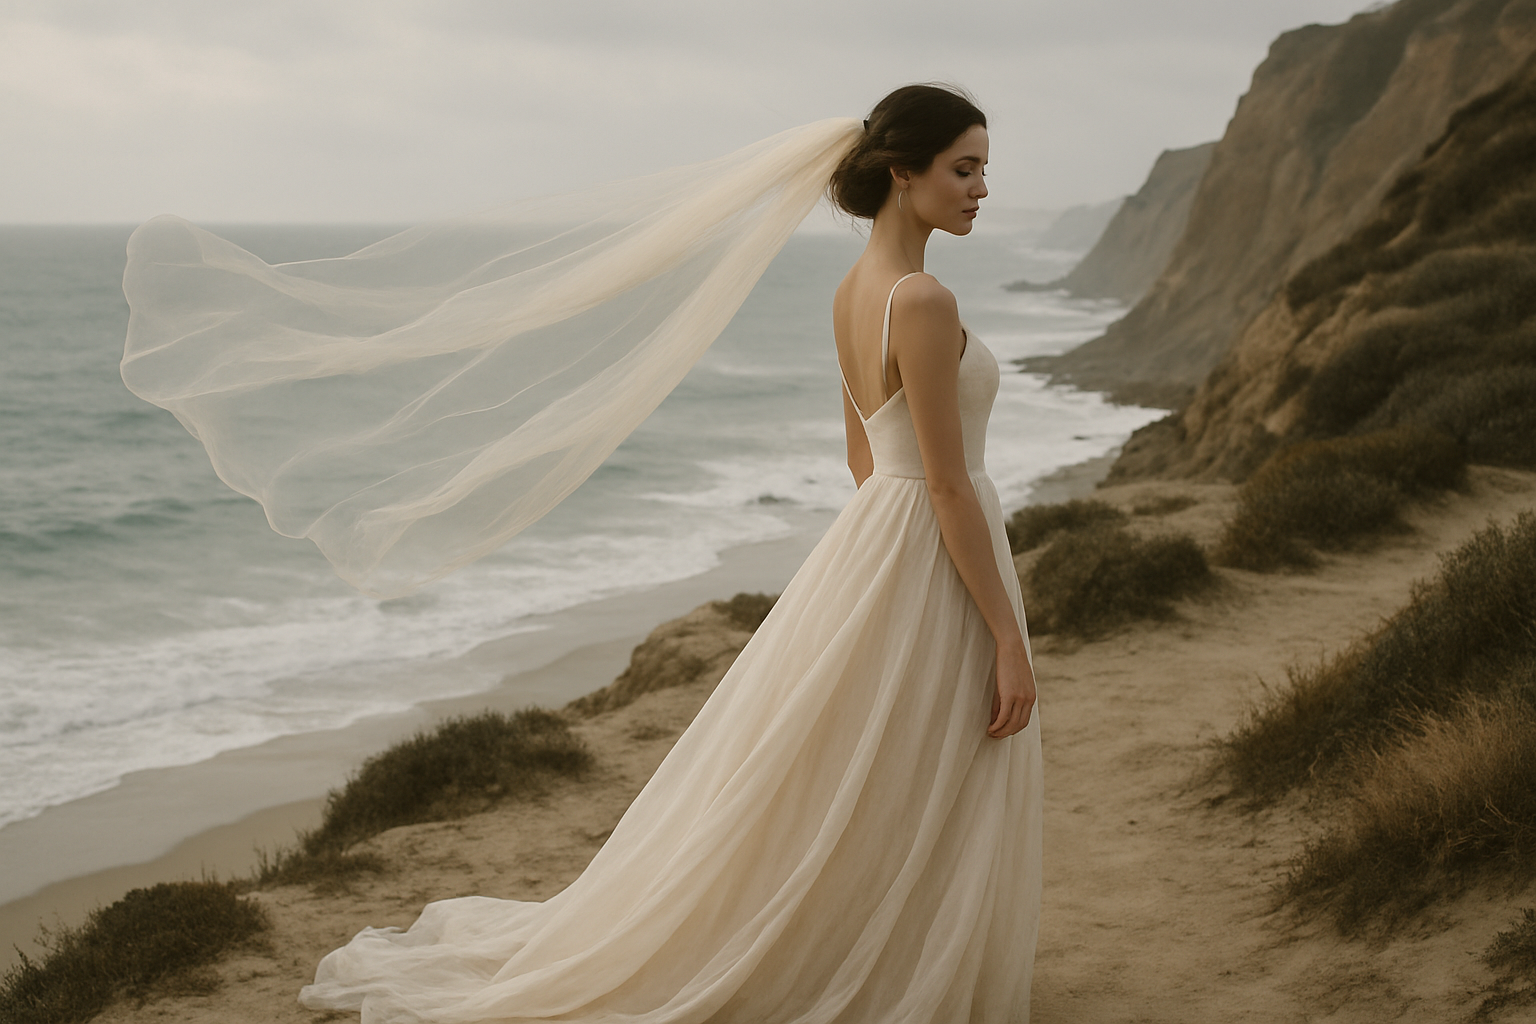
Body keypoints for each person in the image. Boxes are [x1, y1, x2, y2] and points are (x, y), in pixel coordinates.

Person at [122, 83, 1041, 1023]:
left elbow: (863, 460)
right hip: (925, 543)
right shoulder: (921, 298)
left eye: (981, 172)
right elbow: (945, 482)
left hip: (877, 548)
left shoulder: (855, 293)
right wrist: (1005, 635)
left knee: (860, 770)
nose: (978, 190)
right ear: (903, 173)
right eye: (962, 169)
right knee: (921, 764)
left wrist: (877, 577)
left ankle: (868, 956)